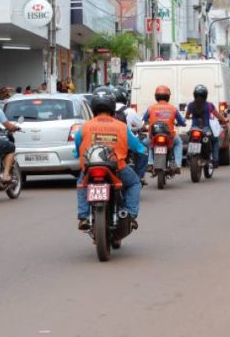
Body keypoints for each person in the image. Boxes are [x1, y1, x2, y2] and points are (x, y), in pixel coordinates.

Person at [75, 87, 146, 231]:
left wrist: (78, 155)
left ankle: (83, 216)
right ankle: (130, 214)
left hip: (90, 167)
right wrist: (142, 150)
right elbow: (136, 146)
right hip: (117, 167)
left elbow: (77, 145)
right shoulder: (121, 127)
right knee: (134, 184)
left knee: (81, 184)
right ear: (112, 107)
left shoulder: (85, 126)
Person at [142, 85, 186, 174]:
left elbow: (144, 119)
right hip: (170, 136)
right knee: (178, 143)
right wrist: (182, 123)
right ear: (168, 97)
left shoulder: (151, 108)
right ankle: (177, 165)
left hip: (153, 135)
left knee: (148, 144)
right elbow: (182, 122)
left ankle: (150, 163)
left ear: (156, 97)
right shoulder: (173, 108)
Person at [185, 85, 228, 168]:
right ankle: (215, 160)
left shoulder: (191, 105)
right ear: (205, 95)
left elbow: (187, 116)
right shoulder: (209, 105)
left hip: (194, 128)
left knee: (190, 140)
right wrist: (224, 119)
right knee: (215, 141)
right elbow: (218, 115)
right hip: (205, 129)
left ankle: (189, 156)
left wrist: (190, 117)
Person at [113, 87, 148, 184]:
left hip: (108, 144)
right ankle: (139, 177)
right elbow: (141, 125)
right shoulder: (129, 111)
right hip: (126, 143)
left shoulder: (107, 111)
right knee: (144, 152)